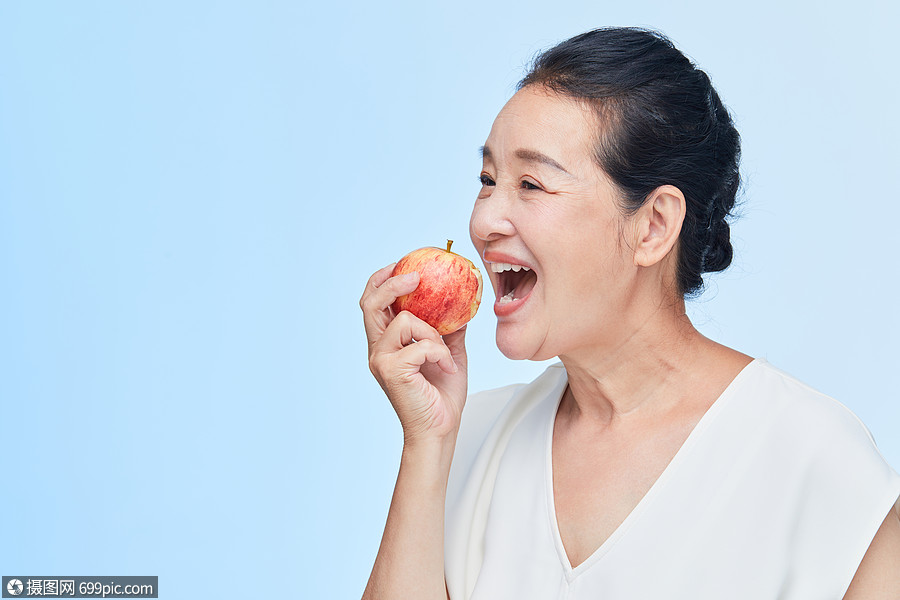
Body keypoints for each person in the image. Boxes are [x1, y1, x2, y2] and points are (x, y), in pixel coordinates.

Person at [358, 27, 900, 599]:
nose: (485, 221)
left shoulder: (813, 460)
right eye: (487, 181)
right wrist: (428, 443)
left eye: (532, 184)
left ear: (654, 225)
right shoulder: (468, 438)